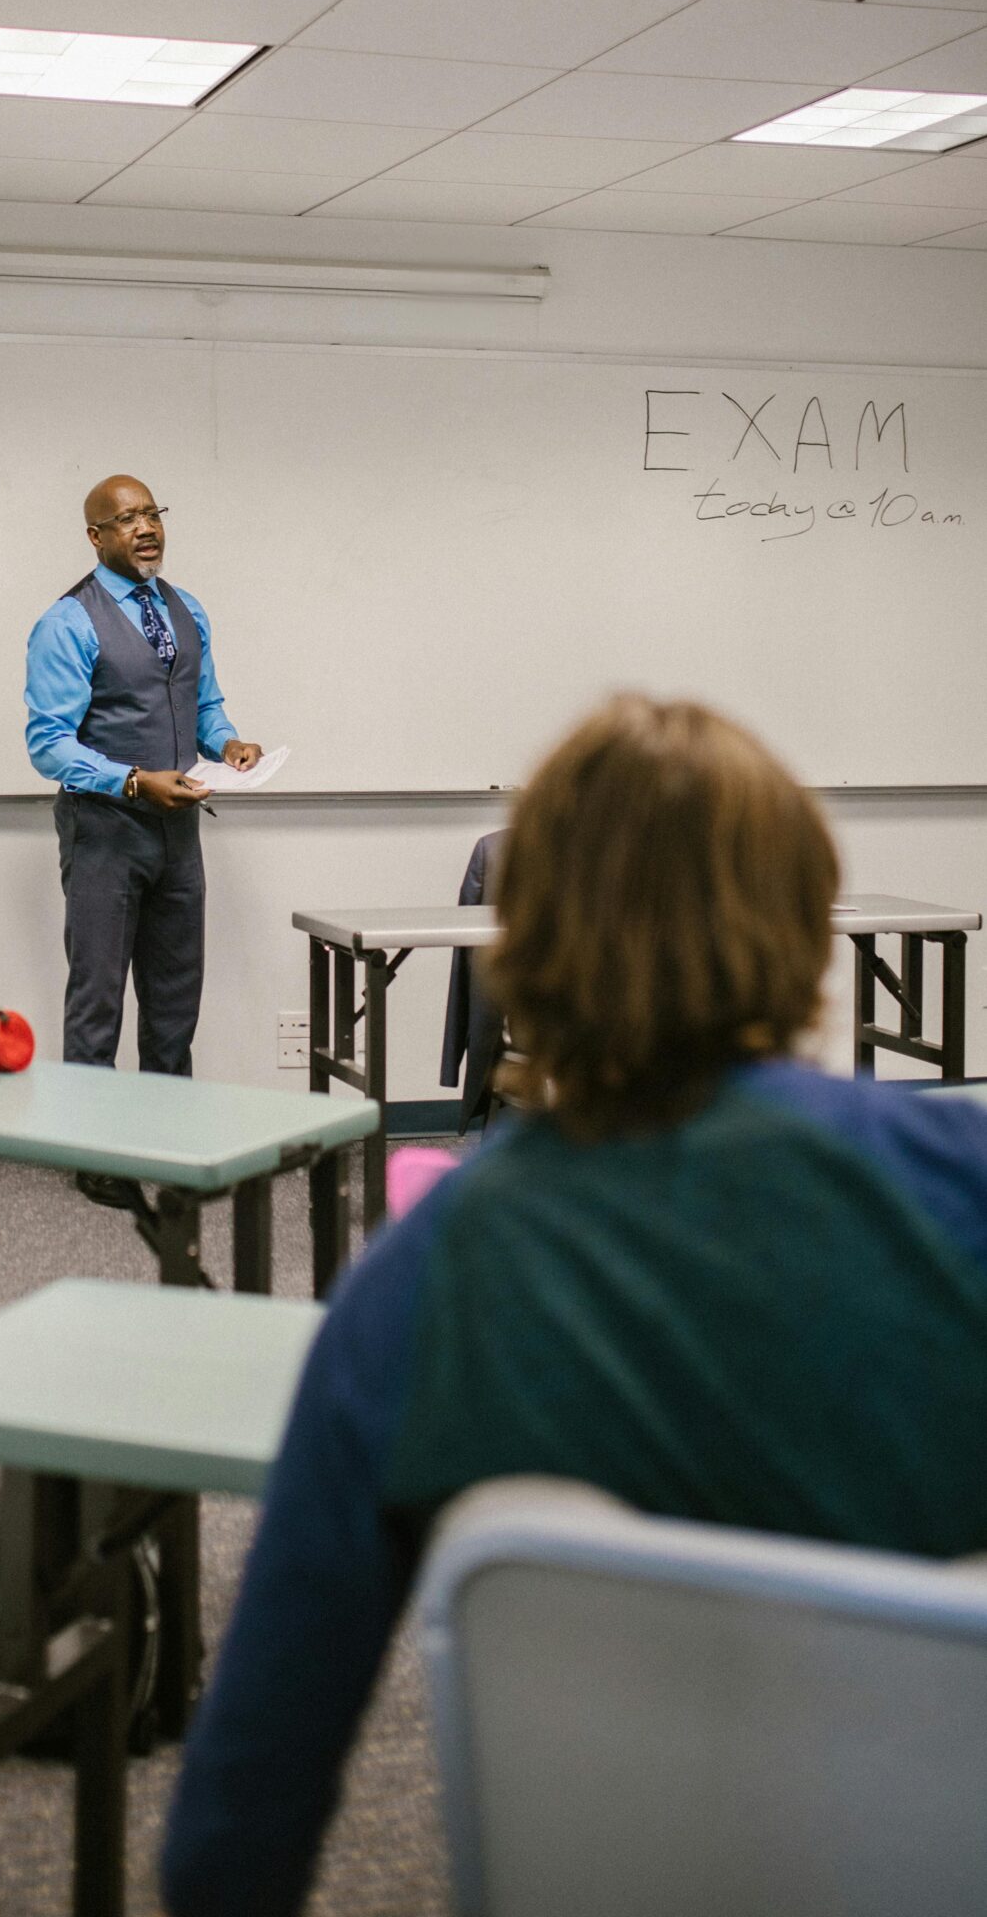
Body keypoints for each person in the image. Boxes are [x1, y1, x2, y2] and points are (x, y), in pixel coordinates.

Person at [163, 695, 987, 1917]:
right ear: (806, 930)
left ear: (520, 940)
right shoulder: (959, 1187)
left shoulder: (422, 1279)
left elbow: (233, 1828)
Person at [25, 476, 260, 1204]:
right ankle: (96, 1155)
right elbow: (47, 744)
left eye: (151, 513)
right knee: (98, 995)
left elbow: (206, 705)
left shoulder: (185, 609)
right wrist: (131, 781)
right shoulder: (67, 622)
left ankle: (167, 1144)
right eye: (124, 519)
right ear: (95, 537)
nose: (144, 527)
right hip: (104, 831)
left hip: (178, 830)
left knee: (172, 996)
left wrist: (229, 745)